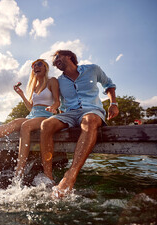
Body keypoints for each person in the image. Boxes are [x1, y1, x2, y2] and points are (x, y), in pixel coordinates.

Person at [40, 50, 119, 197]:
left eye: (58, 57)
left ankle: (70, 175)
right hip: (69, 114)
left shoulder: (93, 69)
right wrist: (54, 107)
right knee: (46, 125)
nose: (55, 61)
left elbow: (109, 85)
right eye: (54, 61)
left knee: (89, 120)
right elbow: (57, 101)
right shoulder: (59, 81)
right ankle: (48, 176)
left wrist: (113, 103)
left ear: (69, 56)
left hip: (92, 110)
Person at [0, 59, 60, 178]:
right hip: (33, 115)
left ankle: (19, 169)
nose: (35, 67)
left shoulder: (51, 81)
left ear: (45, 67)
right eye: (33, 66)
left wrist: (53, 107)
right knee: (16, 122)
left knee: (25, 125)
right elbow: (31, 107)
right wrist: (21, 94)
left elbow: (57, 101)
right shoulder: (35, 86)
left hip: (46, 115)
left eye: (39, 64)